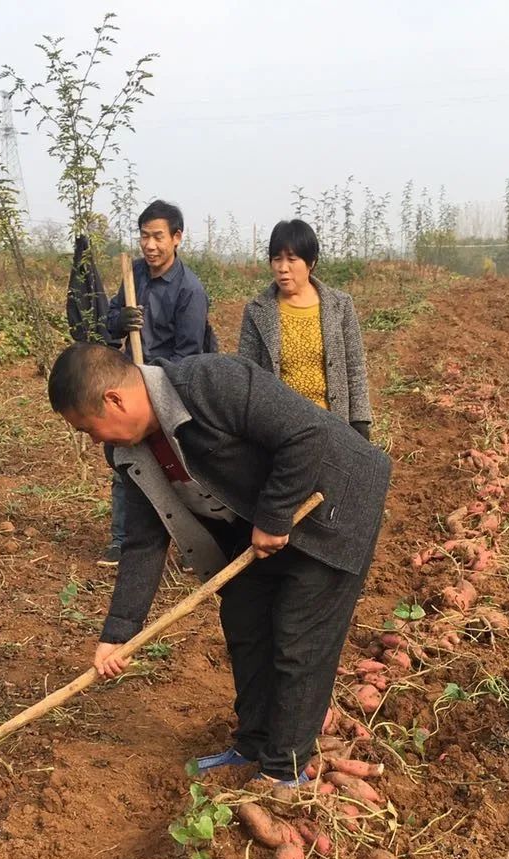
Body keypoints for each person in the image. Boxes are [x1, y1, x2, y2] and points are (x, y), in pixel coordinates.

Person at [47, 343, 391, 785]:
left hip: (332, 503)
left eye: (88, 428)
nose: (95, 441)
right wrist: (118, 633)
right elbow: (144, 540)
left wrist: (274, 516)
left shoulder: (211, 383)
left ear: (114, 399)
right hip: (257, 518)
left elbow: (306, 434)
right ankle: (252, 745)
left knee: (300, 638)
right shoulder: (129, 453)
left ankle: (284, 771)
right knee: (245, 620)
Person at [101, 199, 214, 566]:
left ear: (176, 238)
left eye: (158, 237)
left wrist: (151, 387)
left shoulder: (189, 291)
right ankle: (122, 540)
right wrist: (120, 321)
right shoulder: (133, 274)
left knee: (176, 469)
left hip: (166, 389)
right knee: (126, 460)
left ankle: (192, 544)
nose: (149, 245)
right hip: (129, 384)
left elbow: (188, 356)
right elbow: (109, 322)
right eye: (144, 237)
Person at [239, 218, 371, 439]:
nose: (283, 268)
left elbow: (355, 367)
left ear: (311, 262)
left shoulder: (340, 306)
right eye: (276, 259)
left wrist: (360, 422)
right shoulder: (257, 311)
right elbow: (247, 375)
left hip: (332, 425)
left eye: (292, 259)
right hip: (280, 431)